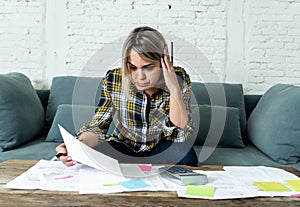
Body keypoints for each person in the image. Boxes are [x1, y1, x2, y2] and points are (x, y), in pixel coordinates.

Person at [56, 26, 198, 167]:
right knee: (93, 153)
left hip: (160, 148)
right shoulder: (114, 78)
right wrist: (77, 146)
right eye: (133, 67)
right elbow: (98, 126)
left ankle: (137, 167)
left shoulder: (178, 77)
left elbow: (180, 135)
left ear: (163, 61)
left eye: (148, 67)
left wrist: (174, 89)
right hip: (124, 148)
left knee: (186, 155)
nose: (140, 77)